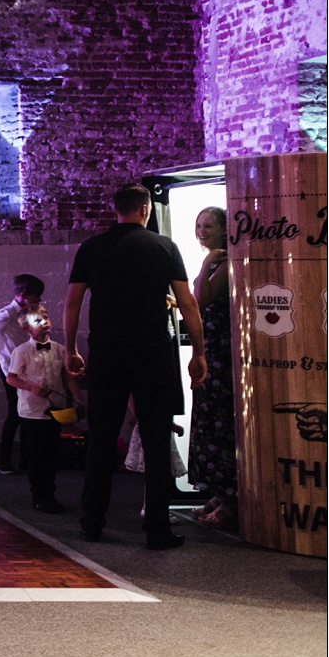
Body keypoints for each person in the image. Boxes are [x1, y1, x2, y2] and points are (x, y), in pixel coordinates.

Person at [65, 183, 207, 549]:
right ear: (145, 209)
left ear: (117, 210)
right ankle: (158, 527)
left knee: (101, 438)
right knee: (156, 439)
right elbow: (187, 303)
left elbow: (72, 303)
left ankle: (92, 522)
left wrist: (70, 349)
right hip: (151, 352)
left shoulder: (91, 247)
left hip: (108, 351)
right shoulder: (164, 247)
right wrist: (199, 353)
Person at [187, 206, 238, 531]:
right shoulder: (218, 262)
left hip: (221, 357)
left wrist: (206, 263)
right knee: (210, 423)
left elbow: (202, 299)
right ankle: (220, 494)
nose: (202, 231)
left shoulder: (226, 262)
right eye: (198, 225)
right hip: (212, 355)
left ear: (224, 231)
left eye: (208, 226)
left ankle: (231, 499)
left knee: (220, 426)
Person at [5, 306, 80, 513]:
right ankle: (39, 496)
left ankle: (50, 493)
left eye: (46, 317)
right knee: (38, 456)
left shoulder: (60, 349)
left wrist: (77, 399)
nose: (45, 322)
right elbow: (11, 378)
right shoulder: (22, 351)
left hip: (54, 410)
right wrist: (32, 387)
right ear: (26, 329)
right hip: (32, 412)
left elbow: (67, 376)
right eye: (38, 321)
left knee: (51, 454)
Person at [0, 274, 45, 474]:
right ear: (23, 294)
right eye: (35, 296)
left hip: (23, 368)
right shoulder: (6, 313)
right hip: (10, 370)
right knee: (16, 413)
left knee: (26, 413)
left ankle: (25, 460)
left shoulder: (24, 313)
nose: (38, 300)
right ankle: (4, 462)